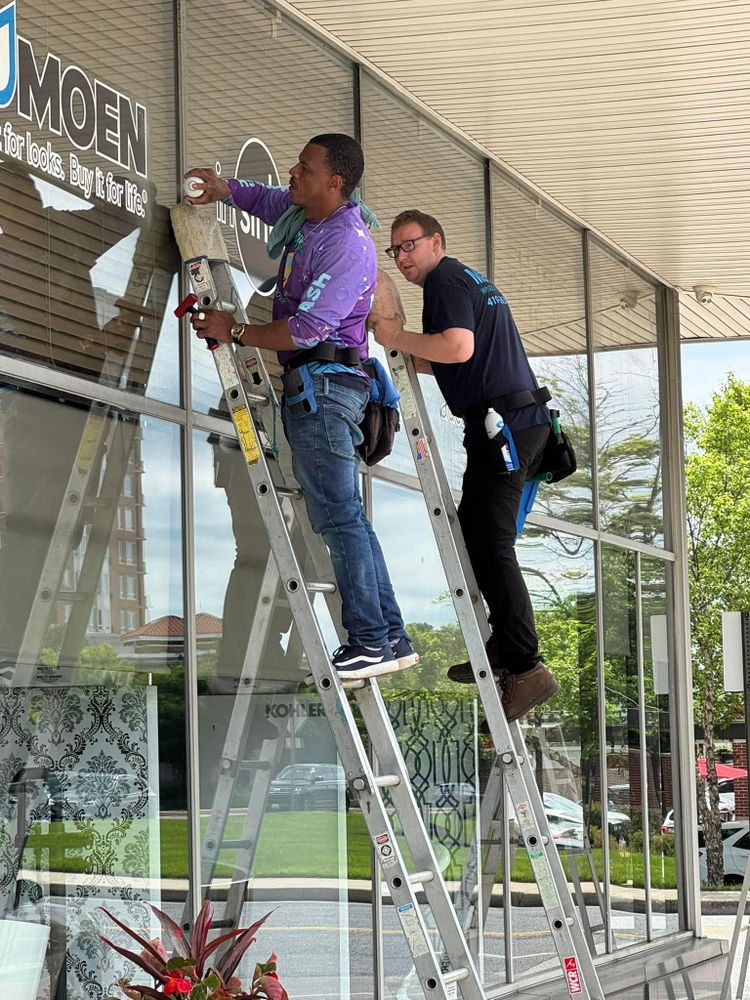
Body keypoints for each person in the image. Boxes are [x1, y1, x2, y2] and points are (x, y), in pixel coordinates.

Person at [183, 134, 417, 681]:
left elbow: (310, 327)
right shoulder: (308, 216)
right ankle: (389, 637)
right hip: (319, 385)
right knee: (345, 517)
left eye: (305, 168)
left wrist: (234, 330)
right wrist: (225, 190)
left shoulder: (347, 244)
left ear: (336, 182)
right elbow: (272, 202)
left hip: (327, 388)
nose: (293, 171)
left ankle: (368, 640)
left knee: (338, 518)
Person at [370, 209, 559, 721]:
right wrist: (407, 354)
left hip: (504, 427)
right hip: (520, 421)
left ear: (436, 241)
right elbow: (457, 358)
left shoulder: (446, 279)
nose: (402, 257)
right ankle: (507, 642)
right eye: (395, 250)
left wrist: (394, 337)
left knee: (490, 541)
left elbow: (457, 346)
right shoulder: (469, 280)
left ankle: (527, 666)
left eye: (409, 245)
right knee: (479, 535)